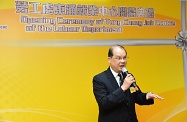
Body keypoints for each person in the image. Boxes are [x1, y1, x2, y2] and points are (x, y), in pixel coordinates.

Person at [92, 45, 163, 122]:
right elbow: (104, 103)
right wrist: (123, 88)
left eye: (124, 58)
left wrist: (146, 96)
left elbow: (137, 96)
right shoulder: (99, 79)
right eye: (118, 58)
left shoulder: (128, 76)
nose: (123, 61)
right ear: (109, 59)